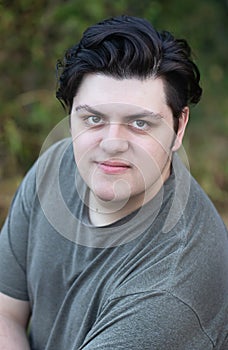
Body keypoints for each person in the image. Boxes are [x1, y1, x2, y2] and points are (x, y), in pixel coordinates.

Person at [0, 15, 227, 350]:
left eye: (139, 123)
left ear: (179, 127)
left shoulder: (167, 295)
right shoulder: (56, 165)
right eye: (93, 119)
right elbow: (5, 311)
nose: (112, 143)